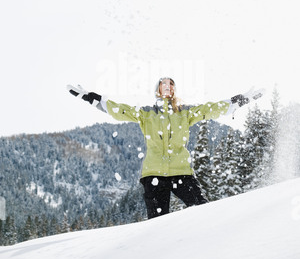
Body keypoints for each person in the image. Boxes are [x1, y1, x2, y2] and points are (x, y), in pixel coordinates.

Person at [67, 79, 264, 219]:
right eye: (164, 84)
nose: (167, 87)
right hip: (153, 176)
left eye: (171, 84)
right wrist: (92, 98)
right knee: (157, 223)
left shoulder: (185, 112)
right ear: (158, 90)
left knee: (204, 212)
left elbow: (210, 109)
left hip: (181, 173)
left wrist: (239, 100)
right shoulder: (146, 113)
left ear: (174, 91)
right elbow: (120, 110)